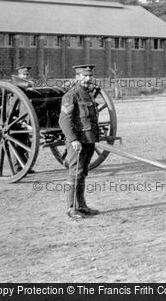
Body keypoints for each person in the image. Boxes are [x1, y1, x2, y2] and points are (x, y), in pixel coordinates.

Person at [59, 64, 101, 219]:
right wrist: (73, 139)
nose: (88, 79)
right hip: (77, 142)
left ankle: (82, 206)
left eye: (90, 76)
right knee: (75, 173)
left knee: (83, 173)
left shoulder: (88, 94)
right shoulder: (71, 95)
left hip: (89, 140)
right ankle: (71, 208)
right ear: (77, 77)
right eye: (84, 76)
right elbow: (64, 121)